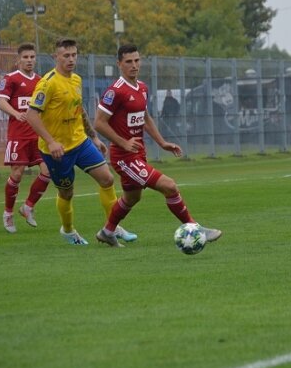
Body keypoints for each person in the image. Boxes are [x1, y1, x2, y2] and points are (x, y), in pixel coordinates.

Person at [93, 44, 222, 248]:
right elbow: (99, 122)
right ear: (119, 64)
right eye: (128, 62)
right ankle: (195, 228)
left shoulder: (142, 88)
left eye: (137, 60)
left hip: (138, 154)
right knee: (169, 186)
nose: (134, 65)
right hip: (124, 158)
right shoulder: (114, 92)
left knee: (132, 198)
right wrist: (123, 142)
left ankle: (107, 232)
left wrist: (162, 142)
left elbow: (145, 117)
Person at [26, 38, 136, 245]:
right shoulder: (47, 83)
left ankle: (112, 227)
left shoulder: (76, 79)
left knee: (107, 179)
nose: (70, 59)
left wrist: (93, 136)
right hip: (57, 151)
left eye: (74, 55)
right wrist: (50, 142)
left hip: (80, 141)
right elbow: (31, 115)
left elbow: (79, 109)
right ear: (55, 57)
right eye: (66, 55)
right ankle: (68, 230)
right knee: (67, 193)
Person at [0, 43, 52, 233]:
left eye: (32, 57)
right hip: (18, 135)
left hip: (37, 136)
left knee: (47, 171)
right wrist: (16, 113)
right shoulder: (10, 79)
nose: (29, 60)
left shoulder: (40, 81)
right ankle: (8, 213)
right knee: (17, 174)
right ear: (18, 59)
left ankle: (27, 207)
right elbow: (1, 101)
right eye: (26, 57)